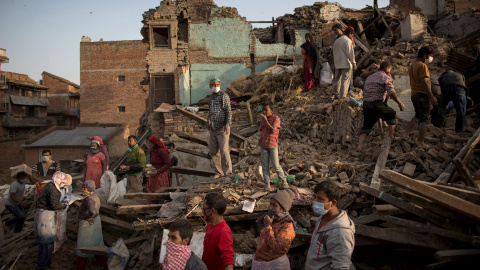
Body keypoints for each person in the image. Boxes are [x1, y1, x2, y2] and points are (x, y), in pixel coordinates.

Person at [305, 181, 355, 270]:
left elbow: (341, 267)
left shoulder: (341, 233)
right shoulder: (322, 218)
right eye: (314, 197)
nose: (315, 201)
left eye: (320, 199)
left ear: (333, 203)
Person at [358, 61, 405, 150]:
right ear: (387, 69)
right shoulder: (385, 77)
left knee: (366, 125)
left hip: (366, 104)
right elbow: (391, 92)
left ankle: (359, 147)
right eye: (389, 70)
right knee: (392, 114)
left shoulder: (370, 77)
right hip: (376, 103)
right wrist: (400, 103)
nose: (390, 72)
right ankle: (391, 136)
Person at [252, 188, 297, 270]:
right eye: (270, 204)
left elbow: (276, 248)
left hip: (275, 264)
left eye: (274, 205)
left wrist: (268, 227)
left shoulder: (287, 226)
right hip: (261, 262)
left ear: (283, 209)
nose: (270, 208)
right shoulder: (272, 220)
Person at [404, 46, 437, 147]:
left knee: (418, 115)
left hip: (414, 94)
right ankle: (421, 142)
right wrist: (431, 96)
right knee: (424, 118)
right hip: (423, 94)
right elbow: (424, 81)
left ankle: (405, 133)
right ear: (425, 55)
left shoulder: (412, 65)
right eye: (430, 56)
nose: (430, 59)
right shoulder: (422, 66)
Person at [35, 172, 68, 270]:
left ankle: (47, 262)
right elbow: (55, 205)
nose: (63, 185)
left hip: (46, 216)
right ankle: (42, 265)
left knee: (49, 242)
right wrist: (64, 205)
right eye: (63, 183)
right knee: (45, 243)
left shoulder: (49, 186)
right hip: (45, 217)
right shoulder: (53, 189)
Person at [76, 180, 106, 270]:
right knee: (97, 242)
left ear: (89, 188)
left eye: (84, 187)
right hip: (96, 222)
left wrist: (87, 217)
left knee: (83, 244)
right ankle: (101, 262)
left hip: (89, 224)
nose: (82, 189)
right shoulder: (94, 196)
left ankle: (80, 266)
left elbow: (92, 211)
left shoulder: (89, 199)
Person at [207, 78, 233, 180]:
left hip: (222, 127)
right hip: (213, 128)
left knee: (224, 151)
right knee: (214, 151)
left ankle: (228, 173)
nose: (216, 86)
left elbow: (228, 111)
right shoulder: (210, 98)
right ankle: (219, 171)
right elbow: (210, 112)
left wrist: (228, 124)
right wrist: (208, 121)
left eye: (217, 84)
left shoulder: (224, 96)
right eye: (214, 85)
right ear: (210, 86)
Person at [259, 100, 287, 190]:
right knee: (265, 166)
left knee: (276, 165)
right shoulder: (263, 120)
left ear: (272, 110)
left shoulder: (276, 119)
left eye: (266, 110)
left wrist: (266, 121)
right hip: (263, 145)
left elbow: (273, 130)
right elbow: (261, 130)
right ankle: (267, 183)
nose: (263, 112)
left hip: (273, 146)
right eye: (262, 110)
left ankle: (284, 181)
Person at [202, 193, 234, 270]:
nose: (202, 211)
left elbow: (229, 262)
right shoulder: (210, 226)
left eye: (204, 208)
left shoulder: (224, 232)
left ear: (212, 210)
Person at [438, 69, 468, 133]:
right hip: (460, 91)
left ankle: (440, 127)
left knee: (441, 108)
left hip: (447, 90)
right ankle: (459, 130)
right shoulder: (460, 75)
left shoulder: (442, 77)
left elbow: (441, 88)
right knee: (461, 111)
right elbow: (464, 87)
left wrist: (444, 101)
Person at [332, 24, 356, 99]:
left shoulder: (336, 41)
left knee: (337, 80)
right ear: (350, 34)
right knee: (345, 80)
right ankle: (343, 96)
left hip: (338, 63)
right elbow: (350, 53)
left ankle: (335, 94)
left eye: (335, 30)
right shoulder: (347, 40)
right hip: (346, 63)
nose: (335, 32)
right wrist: (354, 63)